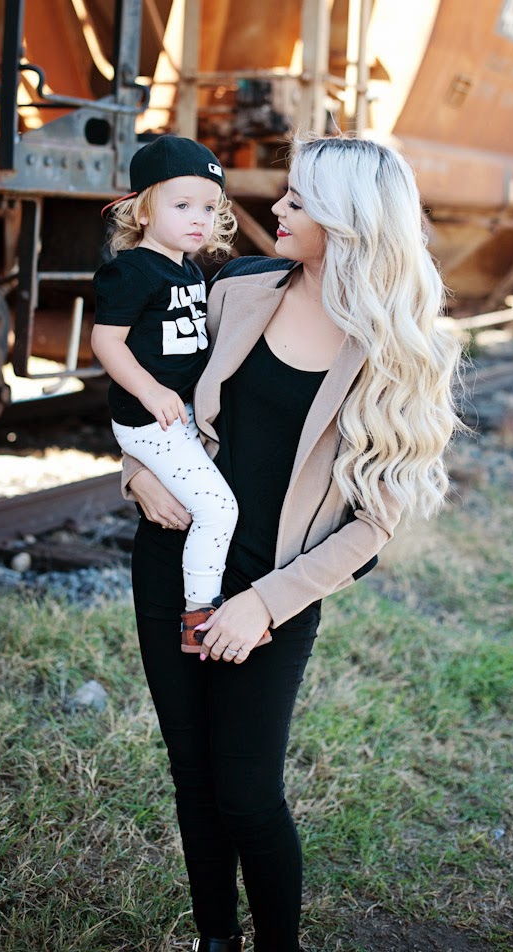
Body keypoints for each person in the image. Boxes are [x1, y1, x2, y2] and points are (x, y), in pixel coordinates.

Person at [121, 134, 463, 952]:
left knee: (246, 794)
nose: (274, 207)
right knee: (192, 778)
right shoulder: (235, 287)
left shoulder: (395, 347)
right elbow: (152, 399)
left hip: (271, 599)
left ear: (346, 222)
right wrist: (136, 477)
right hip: (171, 565)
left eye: (297, 200)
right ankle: (214, 939)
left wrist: (264, 606)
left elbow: (372, 526)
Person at [91, 135, 243, 637]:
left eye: (209, 207)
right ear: (143, 211)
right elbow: (106, 341)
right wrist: (150, 390)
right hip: (150, 418)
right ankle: (200, 614)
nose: (199, 218)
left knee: (214, 501)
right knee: (218, 510)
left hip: (178, 415)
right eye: (182, 206)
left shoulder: (190, 270)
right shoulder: (132, 271)